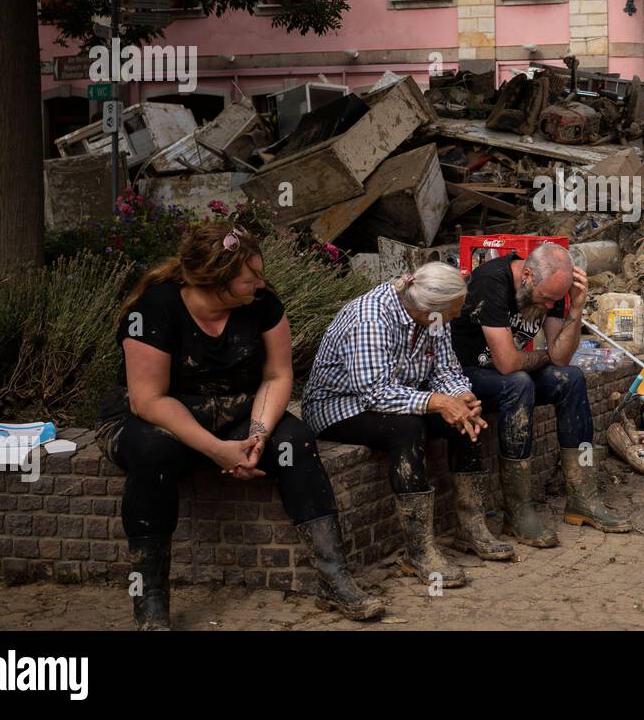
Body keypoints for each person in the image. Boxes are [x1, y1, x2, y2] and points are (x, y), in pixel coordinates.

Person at [96, 222, 379, 630]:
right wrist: (216, 448)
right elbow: (149, 400)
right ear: (216, 281)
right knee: (155, 452)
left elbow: (278, 376)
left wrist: (258, 437)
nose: (261, 284)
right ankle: (150, 598)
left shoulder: (263, 304)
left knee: (295, 441)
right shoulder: (153, 310)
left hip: (235, 410)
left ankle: (335, 575)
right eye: (250, 278)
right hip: (152, 416)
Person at [303, 264, 513, 589]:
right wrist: (440, 402)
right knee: (408, 428)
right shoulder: (370, 318)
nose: (456, 317)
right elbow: (375, 392)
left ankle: (470, 528)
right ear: (432, 309)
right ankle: (419, 550)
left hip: (400, 397)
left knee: (465, 419)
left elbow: (446, 370)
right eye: (454, 311)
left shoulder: (433, 317)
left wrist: (461, 396)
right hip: (341, 406)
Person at [450, 242, 630, 547]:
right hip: (464, 374)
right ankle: (518, 513)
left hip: (511, 372)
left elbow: (561, 357)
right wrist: (543, 357)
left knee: (570, 379)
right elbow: (508, 363)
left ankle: (582, 498)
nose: (548, 306)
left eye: (554, 301)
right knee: (519, 382)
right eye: (545, 298)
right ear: (528, 275)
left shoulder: (554, 289)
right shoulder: (491, 281)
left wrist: (575, 307)